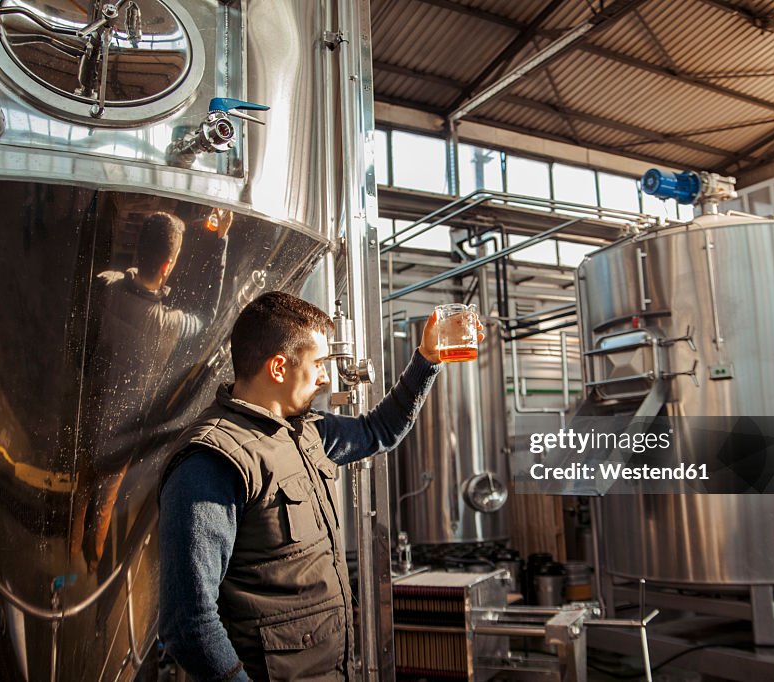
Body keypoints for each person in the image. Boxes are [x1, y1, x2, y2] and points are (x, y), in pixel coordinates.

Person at [157, 292, 483, 682]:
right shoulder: (212, 462)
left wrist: (427, 360)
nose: (326, 376)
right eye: (318, 364)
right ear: (278, 368)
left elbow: (380, 430)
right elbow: (187, 622)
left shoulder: (308, 432)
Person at [71, 210, 229, 572]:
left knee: (81, 488)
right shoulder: (166, 324)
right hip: (123, 433)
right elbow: (208, 315)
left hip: (88, 415)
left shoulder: (105, 286)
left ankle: (68, 559)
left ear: (138, 250)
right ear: (168, 265)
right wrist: (219, 242)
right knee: (105, 500)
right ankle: (89, 568)